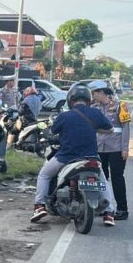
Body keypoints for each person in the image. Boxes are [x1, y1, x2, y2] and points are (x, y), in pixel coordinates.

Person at [30, 83, 116, 227]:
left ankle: (39, 206)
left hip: (66, 157)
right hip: (91, 157)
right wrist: (95, 129)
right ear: (88, 99)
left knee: (44, 175)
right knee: (103, 181)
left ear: (70, 99)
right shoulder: (95, 113)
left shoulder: (64, 116)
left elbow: (52, 132)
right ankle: (109, 213)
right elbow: (110, 129)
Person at [91, 80, 130, 221]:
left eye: (94, 93)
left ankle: (122, 209)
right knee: (102, 178)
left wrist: (125, 148)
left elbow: (125, 128)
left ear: (102, 92)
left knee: (117, 178)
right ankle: (105, 207)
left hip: (116, 148)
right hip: (99, 148)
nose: (93, 96)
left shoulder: (120, 106)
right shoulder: (94, 108)